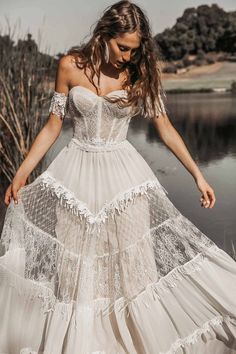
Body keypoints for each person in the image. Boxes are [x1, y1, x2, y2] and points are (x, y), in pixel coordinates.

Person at [0, 1, 236, 353]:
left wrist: (198, 176)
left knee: (132, 267)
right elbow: (53, 127)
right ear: (104, 34)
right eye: (121, 47)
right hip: (74, 178)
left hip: (124, 179)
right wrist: (20, 174)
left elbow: (165, 128)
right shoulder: (69, 66)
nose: (127, 56)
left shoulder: (139, 72)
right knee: (76, 271)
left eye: (133, 49)